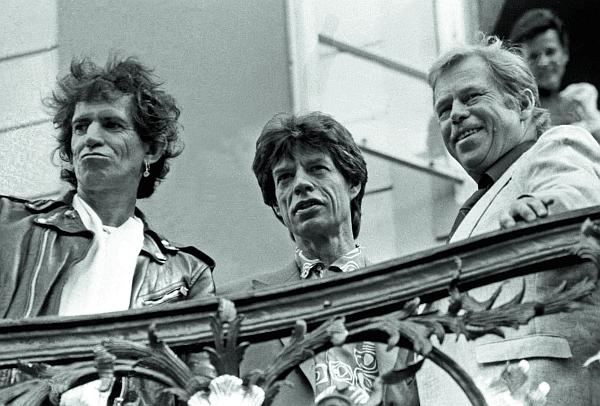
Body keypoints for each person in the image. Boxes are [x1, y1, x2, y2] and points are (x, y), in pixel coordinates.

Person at [0, 56, 216, 403]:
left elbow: (203, 388)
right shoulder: (9, 225)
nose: (91, 137)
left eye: (112, 124)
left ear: (152, 149)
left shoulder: (186, 274)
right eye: (80, 127)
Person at [416, 36, 600, 405]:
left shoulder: (556, 145)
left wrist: (543, 210)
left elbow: (576, 200)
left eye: (471, 97)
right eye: (444, 109)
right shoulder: (477, 206)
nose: (455, 115)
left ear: (524, 103)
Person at [220, 112, 419, 405]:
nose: (301, 184)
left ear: (353, 184)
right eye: (285, 177)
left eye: (317, 169)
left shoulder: (413, 295)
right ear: (277, 206)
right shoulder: (235, 308)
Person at [509, 8, 600, 141]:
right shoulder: (521, 117)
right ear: (521, 65)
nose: (543, 62)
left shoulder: (580, 100)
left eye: (550, 52)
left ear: (565, 54)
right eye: (533, 56)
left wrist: (591, 115)